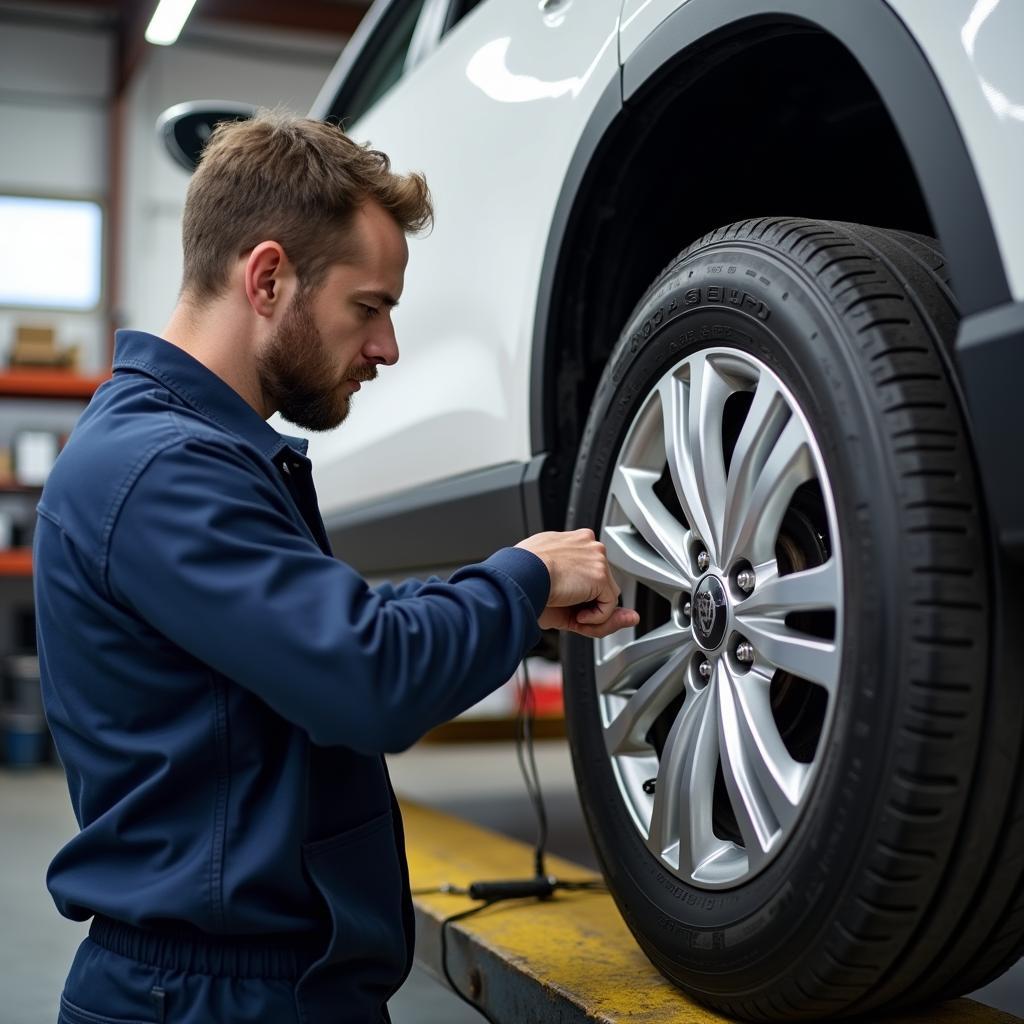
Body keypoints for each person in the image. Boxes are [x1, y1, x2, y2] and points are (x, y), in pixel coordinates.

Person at [34, 111, 638, 1024]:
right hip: (209, 999)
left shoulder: (196, 455)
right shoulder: (161, 469)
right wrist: (521, 580)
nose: (387, 347)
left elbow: (330, 628)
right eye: (370, 306)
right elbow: (366, 676)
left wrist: (500, 599)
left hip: (257, 983)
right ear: (269, 277)